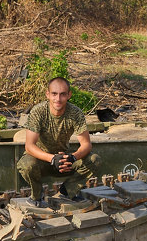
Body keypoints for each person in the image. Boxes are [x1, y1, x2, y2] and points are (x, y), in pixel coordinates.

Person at [17, 76, 99, 204]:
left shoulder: (75, 113)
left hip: (64, 160)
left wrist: (72, 157)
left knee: (94, 160)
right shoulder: (38, 111)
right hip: (41, 160)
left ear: (69, 95)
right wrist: (52, 158)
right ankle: (36, 196)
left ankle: (67, 191)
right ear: (47, 94)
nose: (58, 99)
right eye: (54, 94)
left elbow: (86, 145)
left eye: (62, 94)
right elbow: (29, 146)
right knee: (27, 165)